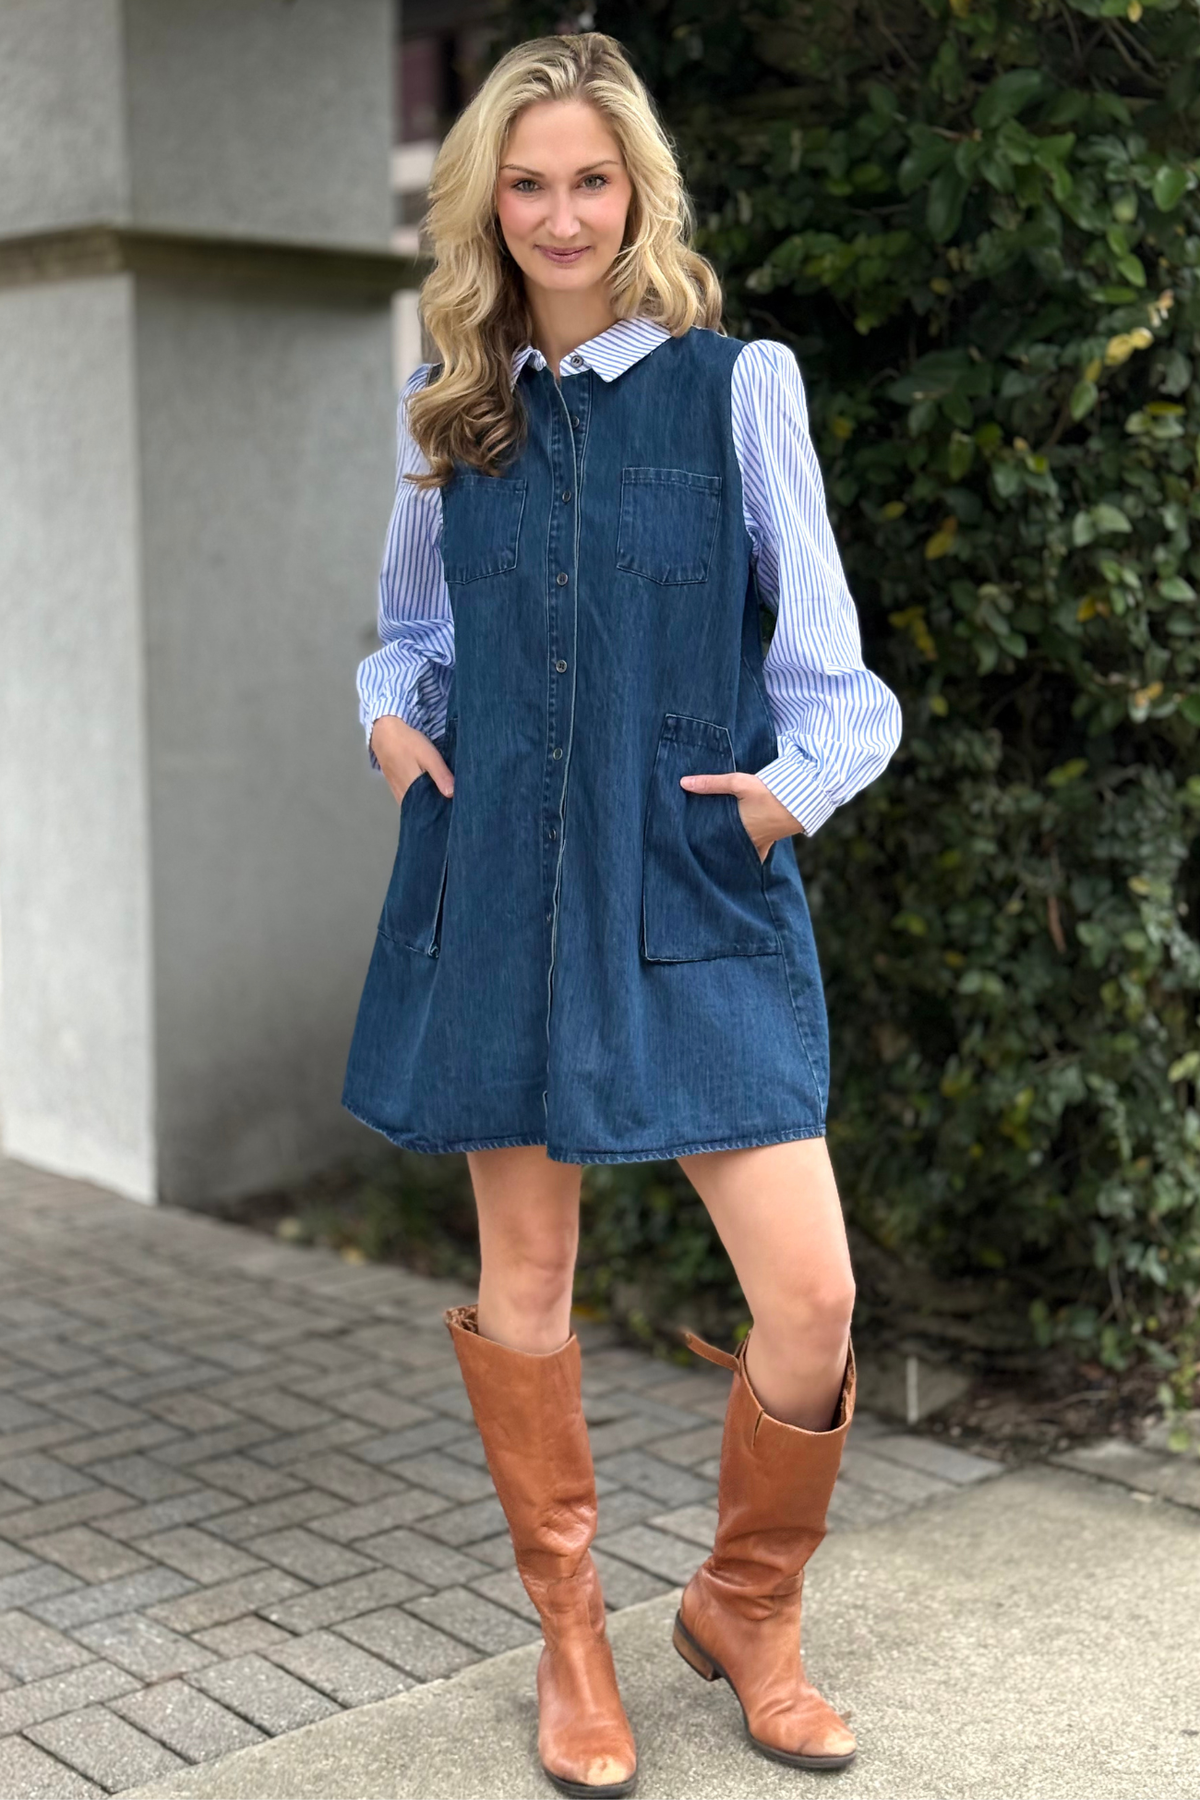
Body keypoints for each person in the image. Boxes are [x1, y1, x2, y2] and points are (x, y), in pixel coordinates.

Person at [343, 30, 902, 1798]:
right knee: (528, 1278)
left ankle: (748, 1606)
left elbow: (837, 677)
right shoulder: (451, 402)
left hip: (692, 879)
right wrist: (389, 715)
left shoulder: (740, 388)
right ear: (486, 202)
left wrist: (786, 797)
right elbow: (413, 635)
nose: (563, 214)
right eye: (528, 183)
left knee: (811, 1293)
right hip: (504, 886)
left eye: (592, 179)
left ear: (638, 191)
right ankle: (572, 1635)